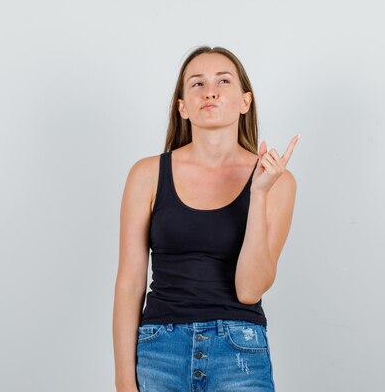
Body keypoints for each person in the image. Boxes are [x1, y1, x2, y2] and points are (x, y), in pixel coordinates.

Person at [112, 45, 299, 392]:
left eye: (223, 81)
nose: (210, 91)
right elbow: (129, 285)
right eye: (197, 83)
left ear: (245, 101)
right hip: (159, 351)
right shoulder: (147, 174)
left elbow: (249, 289)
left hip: (240, 354)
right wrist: (124, 383)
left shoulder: (278, 182)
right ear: (182, 107)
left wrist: (257, 195)